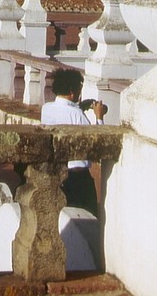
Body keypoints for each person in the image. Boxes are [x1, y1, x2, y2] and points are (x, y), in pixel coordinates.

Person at [40, 68, 106, 216]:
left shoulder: (46, 109)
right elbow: (97, 143)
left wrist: (79, 107)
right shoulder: (77, 115)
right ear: (71, 91)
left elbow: (65, 114)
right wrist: (99, 116)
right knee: (88, 218)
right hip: (78, 178)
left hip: (56, 172)